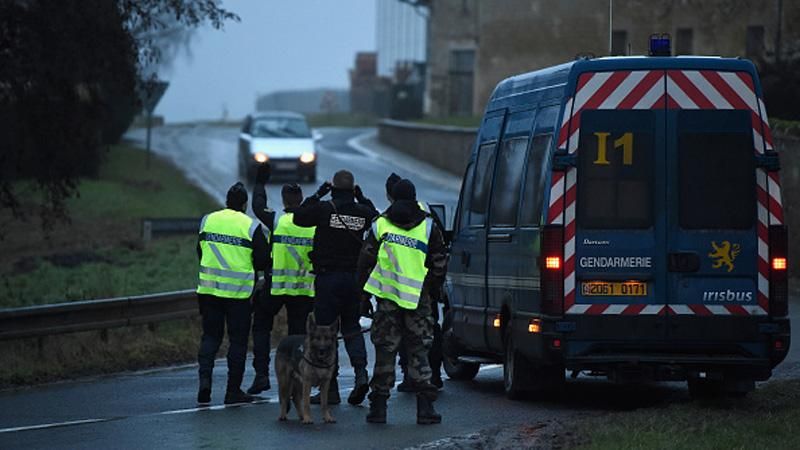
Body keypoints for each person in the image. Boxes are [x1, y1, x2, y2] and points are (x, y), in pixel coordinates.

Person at [358, 179, 447, 425]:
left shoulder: (380, 225)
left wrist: (364, 296)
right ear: (414, 196)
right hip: (418, 300)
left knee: (385, 350)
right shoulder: (429, 227)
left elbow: (365, 262)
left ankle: (378, 408)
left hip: (386, 299)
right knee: (419, 351)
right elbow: (440, 263)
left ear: (393, 198)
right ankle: (425, 409)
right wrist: (430, 288)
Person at [293, 169, 378, 406]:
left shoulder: (324, 208)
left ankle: (330, 390)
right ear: (352, 190)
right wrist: (361, 198)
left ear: (333, 189)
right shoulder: (363, 212)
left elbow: (299, 217)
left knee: (326, 333)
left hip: (328, 279)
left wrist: (318, 193)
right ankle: (361, 373)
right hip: (353, 280)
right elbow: (377, 218)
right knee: (351, 328)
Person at [196, 182, 269, 405]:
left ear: (226, 201)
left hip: (208, 291)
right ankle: (232, 391)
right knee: (237, 342)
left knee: (210, 337)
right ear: (245, 204)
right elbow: (263, 260)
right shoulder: (251, 226)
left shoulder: (208, 219)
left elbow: (199, 250)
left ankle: (205, 382)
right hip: (238, 296)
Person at [247, 182, 316, 394]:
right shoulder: (314, 224)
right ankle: (296, 380)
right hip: (303, 289)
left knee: (260, 326)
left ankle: (261, 375)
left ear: (285, 200)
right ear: (302, 199)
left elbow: (258, 206)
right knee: (297, 335)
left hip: (275, 286)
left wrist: (260, 181)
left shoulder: (277, 219)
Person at [384, 173, 445, 392]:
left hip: (392, 292)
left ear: (391, 196)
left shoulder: (384, 221)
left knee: (391, 341)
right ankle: (430, 382)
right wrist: (434, 286)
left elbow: (369, 259)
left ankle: (382, 401)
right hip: (422, 292)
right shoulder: (428, 217)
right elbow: (440, 257)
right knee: (425, 338)